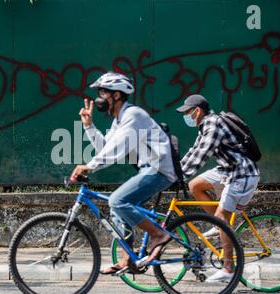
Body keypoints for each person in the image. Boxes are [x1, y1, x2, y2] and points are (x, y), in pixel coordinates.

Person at [70, 72, 178, 274]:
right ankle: (129, 259)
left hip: (159, 169)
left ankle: (159, 235)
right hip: (149, 169)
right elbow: (105, 147)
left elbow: (117, 149)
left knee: (117, 201)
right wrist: (89, 126)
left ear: (117, 95)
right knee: (116, 207)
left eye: (103, 92)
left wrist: (89, 166)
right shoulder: (120, 119)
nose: (99, 97)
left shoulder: (133, 115)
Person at [176, 94, 260, 282]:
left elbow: (202, 155)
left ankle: (228, 268)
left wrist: (178, 176)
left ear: (197, 111)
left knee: (222, 218)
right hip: (226, 170)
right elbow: (194, 151)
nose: (186, 116)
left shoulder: (213, 124)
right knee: (195, 185)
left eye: (187, 112)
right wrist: (175, 172)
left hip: (242, 174)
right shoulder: (206, 125)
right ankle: (220, 226)